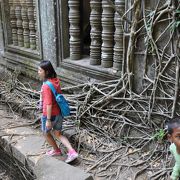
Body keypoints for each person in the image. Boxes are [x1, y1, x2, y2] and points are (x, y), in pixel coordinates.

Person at [38, 60, 78, 163]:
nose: (38, 72)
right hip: (59, 113)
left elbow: (49, 104)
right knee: (58, 134)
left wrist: (47, 119)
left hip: (50, 115)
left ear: (46, 72)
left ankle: (56, 150)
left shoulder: (46, 86)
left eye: (40, 70)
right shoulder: (55, 80)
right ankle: (72, 152)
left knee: (45, 133)